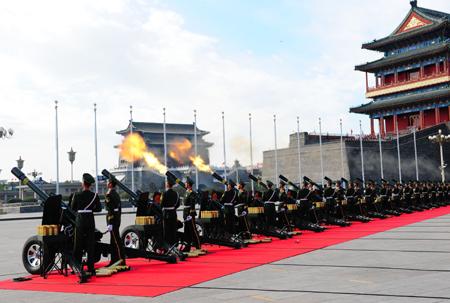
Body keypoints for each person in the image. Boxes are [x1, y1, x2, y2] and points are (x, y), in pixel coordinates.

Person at [70, 173, 102, 277]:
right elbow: (99, 209)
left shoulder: (77, 195)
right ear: (90, 184)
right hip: (90, 220)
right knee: (90, 245)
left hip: (80, 220)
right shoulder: (94, 196)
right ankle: (91, 268)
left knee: (77, 244)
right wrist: (90, 209)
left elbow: (72, 208)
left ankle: (77, 266)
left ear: (83, 183)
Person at [105, 177, 125, 266]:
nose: (106, 184)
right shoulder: (116, 194)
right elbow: (119, 209)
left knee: (116, 241)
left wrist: (110, 223)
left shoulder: (109, 194)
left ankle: (121, 260)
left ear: (110, 184)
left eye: (107, 182)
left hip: (112, 220)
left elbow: (110, 210)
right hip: (117, 219)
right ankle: (114, 260)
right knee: (113, 241)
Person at [183, 177, 201, 252]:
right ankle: (187, 246)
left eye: (186, 183)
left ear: (188, 184)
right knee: (186, 231)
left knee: (193, 230)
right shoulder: (186, 192)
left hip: (190, 214)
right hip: (185, 213)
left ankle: (198, 246)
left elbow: (192, 204)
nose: (185, 184)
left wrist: (190, 214)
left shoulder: (192, 193)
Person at [161, 178, 180, 247]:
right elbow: (178, 204)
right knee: (173, 230)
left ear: (168, 185)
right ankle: (174, 245)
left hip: (166, 214)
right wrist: (173, 208)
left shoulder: (164, 193)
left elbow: (161, 204)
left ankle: (168, 245)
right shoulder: (176, 193)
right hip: (173, 213)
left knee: (167, 231)